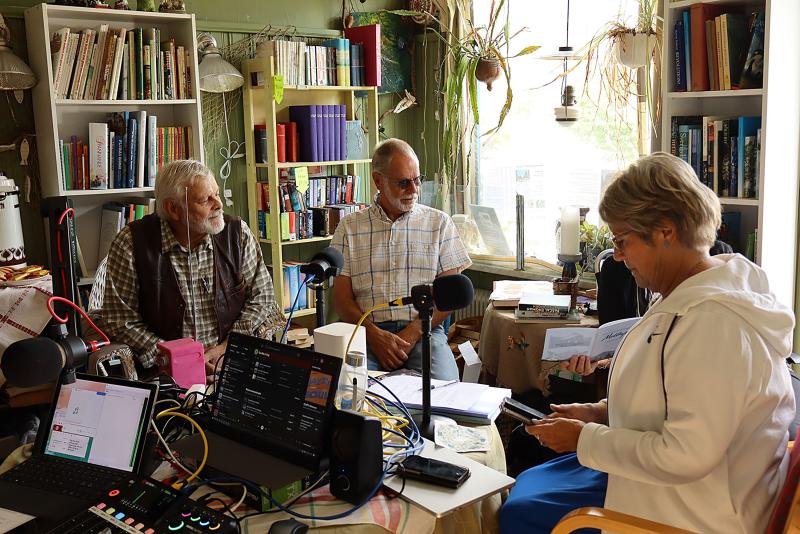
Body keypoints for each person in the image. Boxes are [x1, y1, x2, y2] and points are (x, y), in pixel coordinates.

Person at [500, 152, 795, 533]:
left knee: (520, 508)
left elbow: (687, 454)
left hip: (695, 515)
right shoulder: (691, 294)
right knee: (527, 489)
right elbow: (675, 397)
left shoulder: (715, 325)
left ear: (665, 232)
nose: (619, 257)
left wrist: (585, 439)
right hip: (680, 491)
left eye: (623, 241)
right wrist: (603, 412)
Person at [96, 160, 284, 375]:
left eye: (217, 194)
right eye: (206, 200)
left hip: (230, 362)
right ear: (173, 208)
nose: (219, 204)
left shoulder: (236, 234)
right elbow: (119, 320)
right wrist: (177, 359)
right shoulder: (131, 243)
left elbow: (262, 297)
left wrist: (228, 349)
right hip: (165, 372)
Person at [331, 138, 471, 381]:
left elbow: (448, 298)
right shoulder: (349, 227)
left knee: (446, 395)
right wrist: (374, 336)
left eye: (417, 180)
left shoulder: (439, 223)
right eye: (404, 183)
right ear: (378, 181)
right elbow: (342, 300)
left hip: (425, 332)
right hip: (366, 335)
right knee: (348, 397)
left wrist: (413, 333)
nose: (414, 190)